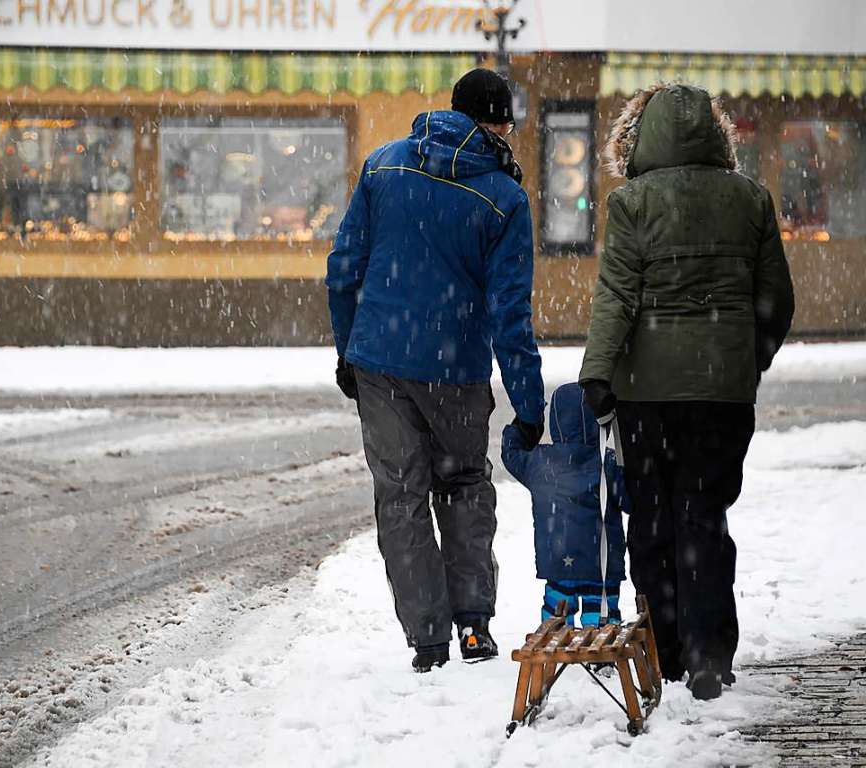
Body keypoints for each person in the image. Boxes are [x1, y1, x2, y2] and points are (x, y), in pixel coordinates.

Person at [579, 83, 795, 700]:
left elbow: (617, 294)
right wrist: (746, 358)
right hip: (722, 393)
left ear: (641, 139)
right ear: (716, 135)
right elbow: (776, 299)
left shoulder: (633, 202)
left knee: (650, 516)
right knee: (703, 514)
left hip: (646, 392)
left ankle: (663, 649)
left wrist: (598, 372)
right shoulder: (750, 199)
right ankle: (709, 651)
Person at [325, 68, 545, 673]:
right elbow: (510, 314)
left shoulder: (383, 167)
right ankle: (473, 626)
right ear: (497, 124)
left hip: (381, 364)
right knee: (465, 487)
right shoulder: (504, 198)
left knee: (400, 499)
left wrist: (348, 349)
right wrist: (530, 407)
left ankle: (427, 640)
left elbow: (343, 269)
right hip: (457, 374)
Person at [501, 383, 628, 628]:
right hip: (602, 563)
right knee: (601, 610)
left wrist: (526, 424)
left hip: (559, 561)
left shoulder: (540, 462)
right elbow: (631, 501)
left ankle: (555, 636)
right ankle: (602, 645)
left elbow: (510, 453)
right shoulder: (608, 462)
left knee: (557, 608)